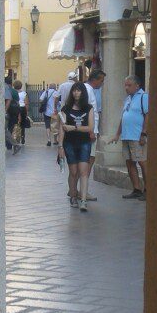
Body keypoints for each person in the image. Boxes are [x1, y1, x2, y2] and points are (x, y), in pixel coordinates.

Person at [57, 81, 95, 212]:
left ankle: (83, 200)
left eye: (78, 90)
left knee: (83, 172)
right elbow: (62, 128)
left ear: (83, 92)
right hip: (69, 143)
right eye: (74, 90)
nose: (76, 93)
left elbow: (90, 127)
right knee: (73, 172)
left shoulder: (89, 108)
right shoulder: (66, 109)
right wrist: (60, 146)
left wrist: (73, 127)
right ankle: (73, 195)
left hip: (84, 142)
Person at [112, 74, 148, 200]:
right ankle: (136, 189)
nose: (126, 88)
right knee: (129, 162)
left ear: (137, 86)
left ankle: (147, 190)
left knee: (142, 162)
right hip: (126, 136)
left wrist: (144, 133)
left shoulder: (144, 97)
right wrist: (117, 134)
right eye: (125, 85)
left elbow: (148, 116)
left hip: (137, 136)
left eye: (129, 85)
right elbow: (123, 117)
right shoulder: (128, 99)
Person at [84, 68, 106, 199]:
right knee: (89, 160)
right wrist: (92, 131)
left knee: (87, 160)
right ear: (95, 80)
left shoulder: (87, 89)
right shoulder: (88, 90)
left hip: (91, 129)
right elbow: (88, 111)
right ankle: (83, 191)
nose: (102, 84)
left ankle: (76, 189)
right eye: (101, 81)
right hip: (90, 130)